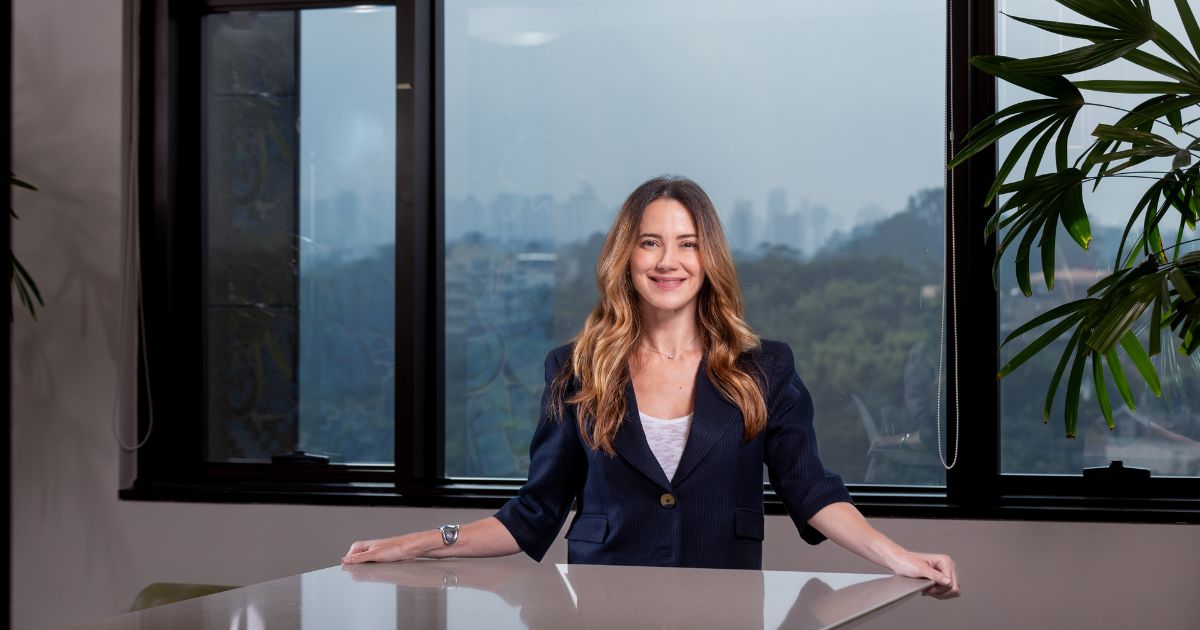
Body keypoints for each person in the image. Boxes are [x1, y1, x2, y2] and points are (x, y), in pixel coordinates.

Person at [343, 176, 960, 599]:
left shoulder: (763, 368)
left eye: (687, 244)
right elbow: (532, 515)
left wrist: (900, 557)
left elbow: (812, 491)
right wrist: (415, 543)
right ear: (626, 256)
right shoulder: (575, 369)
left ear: (708, 258)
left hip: (724, 611)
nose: (669, 261)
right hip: (603, 610)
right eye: (651, 242)